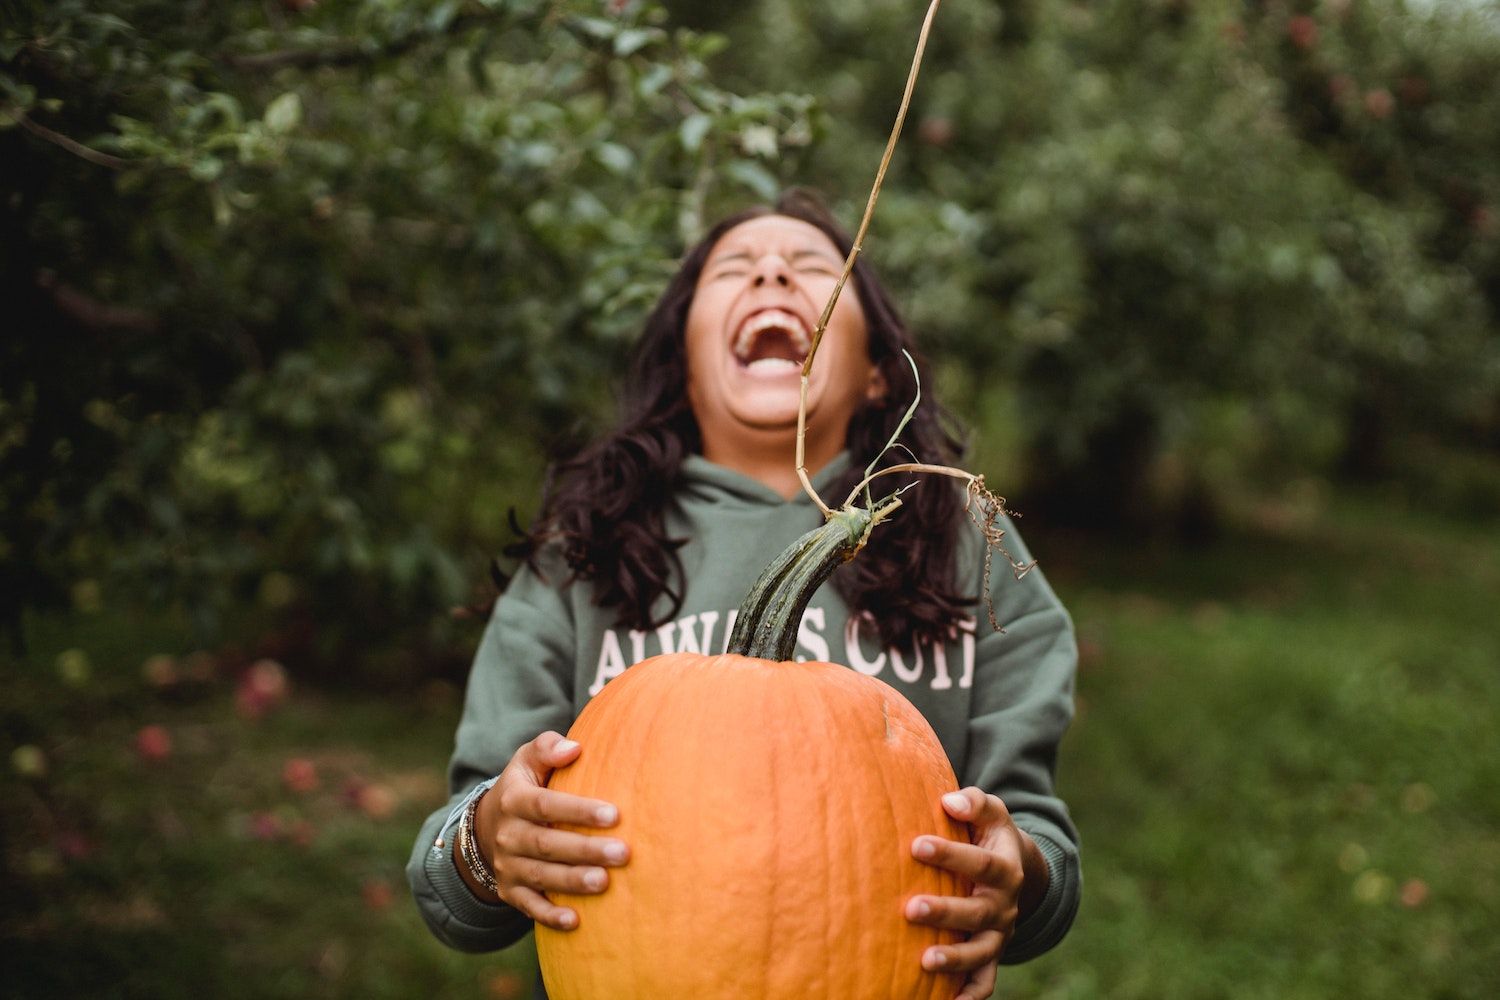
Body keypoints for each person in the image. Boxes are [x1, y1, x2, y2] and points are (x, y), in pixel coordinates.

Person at [407, 190, 1081, 1000]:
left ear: (875, 373)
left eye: (809, 268)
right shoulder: (583, 554)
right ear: (681, 364)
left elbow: (1039, 846)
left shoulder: (962, 544)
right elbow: (448, 872)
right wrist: (488, 844)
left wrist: (1020, 877)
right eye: (734, 269)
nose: (770, 272)